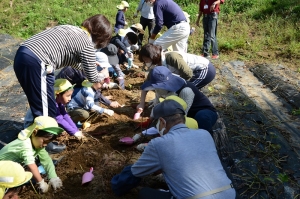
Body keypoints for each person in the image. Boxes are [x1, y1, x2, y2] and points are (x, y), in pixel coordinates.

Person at [111, 100, 236, 198]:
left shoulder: (158, 144)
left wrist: (115, 186)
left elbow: (135, 172)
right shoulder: (204, 134)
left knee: (145, 194)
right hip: (230, 194)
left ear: (162, 122)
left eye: (156, 124)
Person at [13, 14, 112, 125]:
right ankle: (45, 138)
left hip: (23, 54)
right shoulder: (87, 44)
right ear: (101, 38)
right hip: (38, 61)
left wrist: (87, 64)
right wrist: (103, 74)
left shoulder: (71, 29)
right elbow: (93, 77)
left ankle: (33, 133)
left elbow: (68, 58)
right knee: (47, 109)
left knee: (39, 101)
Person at [138, 66, 218, 133]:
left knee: (201, 119)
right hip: (184, 113)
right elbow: (159, 105)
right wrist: (150, 120)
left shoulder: (185, 91)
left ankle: (203, 140)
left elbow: (179, 119)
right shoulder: (161, 89)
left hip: (201, 112)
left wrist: (163, 135)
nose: (155, 89)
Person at [0, 116, 65, 193]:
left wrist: (53, 177)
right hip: (3, 171)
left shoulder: (37, 145)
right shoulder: (25, 144)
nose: (45, 145)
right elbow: (31, 165)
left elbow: (46, 160)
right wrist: (41, 182)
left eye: (47, 143)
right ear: (34, 132)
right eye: (44, 141)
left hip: (12, 168)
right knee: (13, 186)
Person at [132, 95, 199, 151]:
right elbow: (156, 129)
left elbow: (168, 144)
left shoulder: (171, 130)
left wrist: (147, 146)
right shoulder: (190, 121)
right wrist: (141, 134)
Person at [139, 44, 216, 89]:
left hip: (204, 70)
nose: (146, 63)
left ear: (152, 57)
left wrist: (176, 87)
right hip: (191, 72)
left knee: (186, 91)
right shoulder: (156, 64)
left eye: (146, 60)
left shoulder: (171, 57)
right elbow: (149, 79)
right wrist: (144, 88)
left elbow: (188, 73)